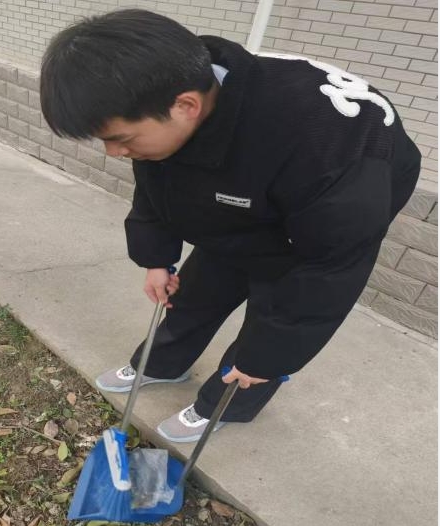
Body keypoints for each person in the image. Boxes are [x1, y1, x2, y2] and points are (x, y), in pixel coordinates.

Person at [39, 9, 421, 443]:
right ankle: (163, 364)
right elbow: (157, 185)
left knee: (274, 313)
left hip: (321, 210)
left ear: (186, 106)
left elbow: (330, 266)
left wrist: (270, 356)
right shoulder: (164, 95)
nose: (114, 152)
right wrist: (156, 259)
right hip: (252, 192)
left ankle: (224, 403)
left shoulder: (326, 148)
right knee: (196, 291)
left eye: (122, 139)